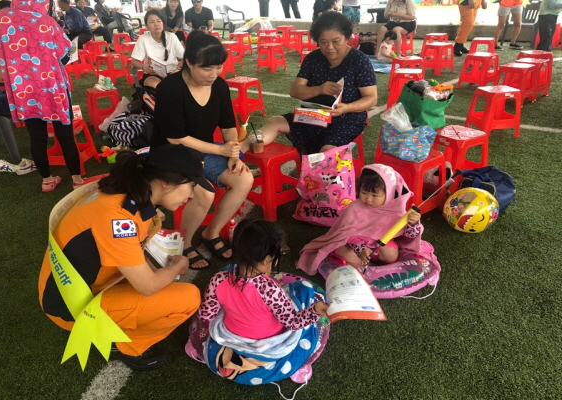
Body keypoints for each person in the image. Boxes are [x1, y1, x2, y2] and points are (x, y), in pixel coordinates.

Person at [38, 145, 208, 371]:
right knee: (187, 298)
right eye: (192, 186)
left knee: (163, 283)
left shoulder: (125, 193)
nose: (192, 195)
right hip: (72, 306)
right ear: (166, 183)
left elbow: (134, 246)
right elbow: (148, 286)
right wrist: (179, 265)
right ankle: (123, 345)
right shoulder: (119, 218)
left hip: (82, 286)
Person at [151, 30, 254, 270]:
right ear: (188, 62)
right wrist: (221, 152)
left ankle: (211, 232)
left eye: (218, 67)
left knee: (244, 178)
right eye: (206, 68)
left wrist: (233, 154)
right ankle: (184, 243)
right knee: (205, 194)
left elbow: (228, 126)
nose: (213, 74)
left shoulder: (219, 86)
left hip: (204, 151)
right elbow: (175, 138)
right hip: (170, 153)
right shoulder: (170, 88)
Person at [185, 219, 330, 384]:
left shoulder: (218, 279)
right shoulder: (270, 289)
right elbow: (292, 322)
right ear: (266, 259)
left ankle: (198, 348)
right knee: (304, 291)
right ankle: (299, 365)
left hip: (232, 336)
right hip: (270, 344)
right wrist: (315, 311)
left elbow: (207, 314)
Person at [0, 0, 84, 192]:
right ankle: (77, 181)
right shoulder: (45, 21)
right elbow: (65, 55)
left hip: (23, 89)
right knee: (65, 134)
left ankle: (47, 180)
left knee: (37, 137)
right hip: (52, 86)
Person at [257, 12, 377, 156]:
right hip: (314, 115)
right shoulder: (313, 58)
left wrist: (347, 108)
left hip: (346, 118)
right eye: (323, 42)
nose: (330, 47)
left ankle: (316, 165)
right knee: (274, 122)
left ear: (347, 38)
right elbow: (295, 91)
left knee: (327, 152)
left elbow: (371, 98)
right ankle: (239, 152)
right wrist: (319, 89)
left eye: (336, 41)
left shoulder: (359, 60)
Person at [297, 164, 437, 276]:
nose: (368, 199)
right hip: (354, 245)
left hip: (379, 247)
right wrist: (361, 249)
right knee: (345, 253)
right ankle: (364, 267)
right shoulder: (355, 207)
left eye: (375, 195)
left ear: (388, 194)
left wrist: (413, 223)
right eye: (364, 192)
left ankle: (372, 265)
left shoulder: (395, 212)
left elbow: (410, 236)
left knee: (390, 254)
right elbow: (345, 234)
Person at [131, 10, 184, 89]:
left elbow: (184, 57)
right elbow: (134, 61)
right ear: (147, 26)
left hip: (172, 73)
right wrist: (143, 67)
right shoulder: (143, 39)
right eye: (151, 22)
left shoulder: (172, 37)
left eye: (158, 21)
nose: (156, 24)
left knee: (177, 87)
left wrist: (178, 68)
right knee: (157, 86)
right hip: (153, 74)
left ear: (163, 23)